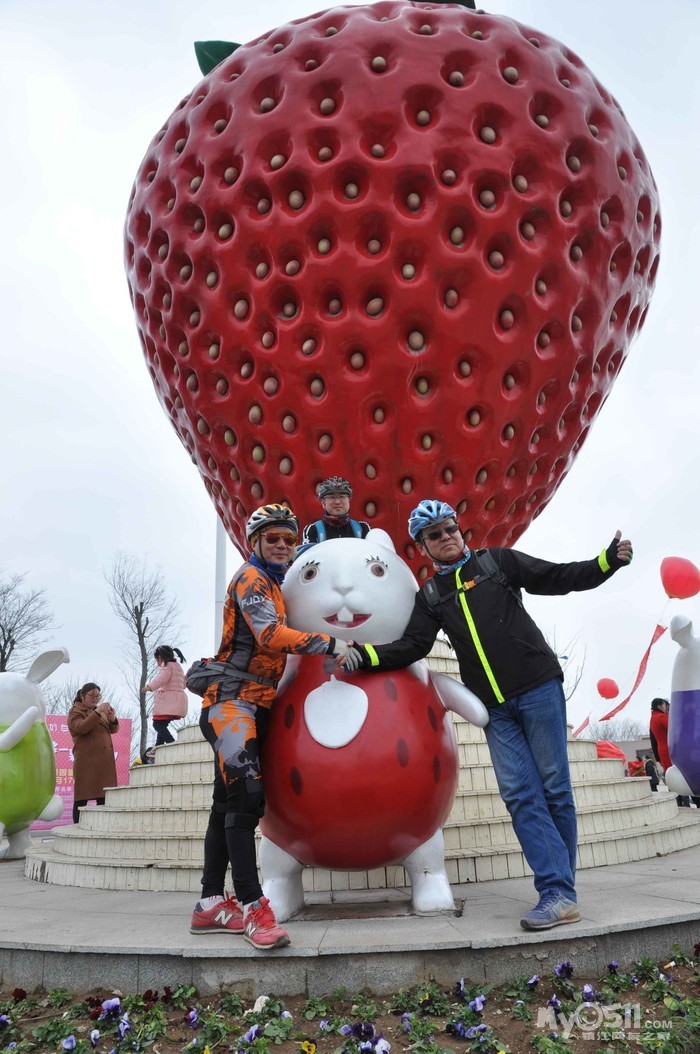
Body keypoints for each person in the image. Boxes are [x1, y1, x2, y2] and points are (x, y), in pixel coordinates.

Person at [340, 499, 633, 931]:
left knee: (554, 789)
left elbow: (556, 577)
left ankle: (559, 891)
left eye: (450, 528)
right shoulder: (432, 595)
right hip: (494, 708)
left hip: (538, 688)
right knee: (519, 795)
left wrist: (605, 562)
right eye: (434, 535)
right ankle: (558, 890)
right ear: (423, 547)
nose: (447, 537)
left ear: (460, 531)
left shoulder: (497, 563)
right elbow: (413, 647)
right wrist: (363, 655)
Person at [190, 503, 354, 949]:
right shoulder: (251, 579)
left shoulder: (276, 585)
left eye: (287, 538)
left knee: (225, 805)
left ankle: (208, 904)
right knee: (246, 800)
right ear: (256, 542)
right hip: (230, 703)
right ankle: (252, 908)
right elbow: (268, 635)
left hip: (253, 704)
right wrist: (330, 642)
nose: (282, 545)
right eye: (273, 538)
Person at [68, 683, 119, 825]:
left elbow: (112, 730)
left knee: (104, 797)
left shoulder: (99, 712)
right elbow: (81, 728)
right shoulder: (75, 712)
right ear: (82, 696)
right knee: (82, 798)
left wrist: (112, 717)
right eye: (91, 695)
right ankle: (77, 827)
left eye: (97, 696)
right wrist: (97, 713)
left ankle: (101, 826)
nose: (94, 699)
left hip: (104, 762)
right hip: (87, 762)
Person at [299, 476, 370, 547]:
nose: (337, 502)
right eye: (331, 497)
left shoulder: (363, 528)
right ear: (323, 503)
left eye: (342, 496)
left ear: (349, 500)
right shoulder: (313, 530)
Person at [649, 697, 693, 806]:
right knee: (680, 773)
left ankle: (677, 801)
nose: (666, 708)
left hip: (662, 750)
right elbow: (676, 726)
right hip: (671, 749)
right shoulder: (661, 717)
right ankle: (685, 801)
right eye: (664, 705)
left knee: (670, 775)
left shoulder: (652, 718)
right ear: (659, 706)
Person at [142, 645, 188, 745]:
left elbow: (161, 678)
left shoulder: (167, 666)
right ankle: (158, 747)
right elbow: (182, 685)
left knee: (157, 724)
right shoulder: (178, 667)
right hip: (177, 702)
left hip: (168, 702)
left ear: (159, 658)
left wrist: (149, 687)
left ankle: (172, 743)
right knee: (161, 725)